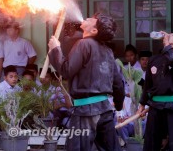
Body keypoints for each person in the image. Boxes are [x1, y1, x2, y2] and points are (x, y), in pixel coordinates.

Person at [48, 13, 125, 151]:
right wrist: (118, 107)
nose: (88, 18)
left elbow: (66, 70)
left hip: (85, 113)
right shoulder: (108, 51)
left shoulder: (83, 44)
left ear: (94, 30)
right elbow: (118, 83)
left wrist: (55, 49)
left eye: (92, 19)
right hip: (105, 111)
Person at [138, 31, 173, 151]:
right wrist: (142, 103)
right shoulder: (154, 59)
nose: (168, 34)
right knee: (151, 143)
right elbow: (148, 84)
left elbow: (171, 58)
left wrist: (167, 43)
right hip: (155, 106)